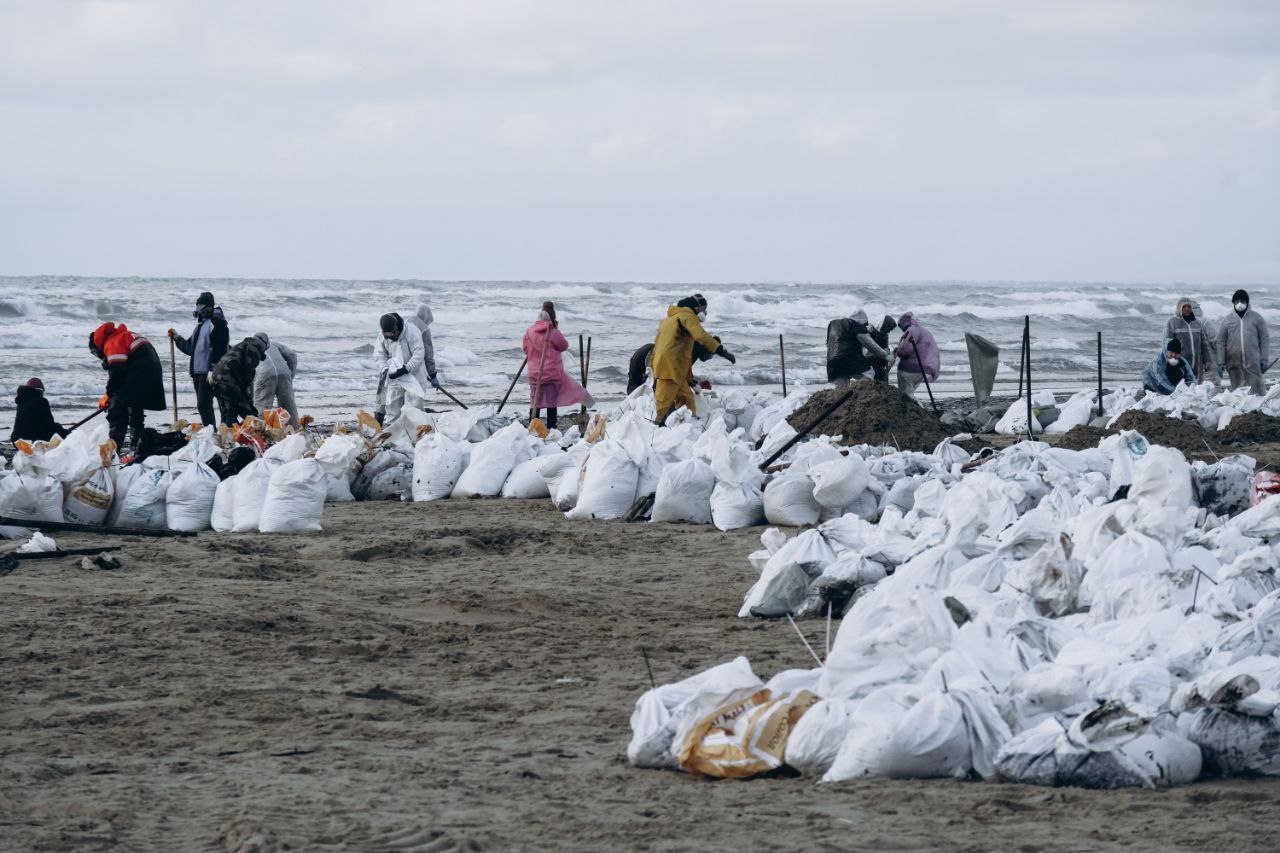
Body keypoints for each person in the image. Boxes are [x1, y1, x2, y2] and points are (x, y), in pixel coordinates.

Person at [651, 293, 735, 424]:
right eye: (703, 309)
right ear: (696, 307)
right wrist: (721, 351)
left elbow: (658, 345)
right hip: (669, 368)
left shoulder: (670, 319)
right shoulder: (687, 316)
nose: (705, 313)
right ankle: (654, 434)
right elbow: (701, 335)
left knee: (687, 399)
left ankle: (690, 428)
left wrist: (690, 381)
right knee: (663, 407)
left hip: (673, 368)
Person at [89, 322, 166, 449]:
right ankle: (136, 445)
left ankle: (114, 449)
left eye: (95, 353)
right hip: (151, 372)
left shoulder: (112, 342)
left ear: (97, 345)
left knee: (117, 410)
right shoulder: (124, 335)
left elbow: (117, 372)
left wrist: (108, 395)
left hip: (140, 372)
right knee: (135, 405)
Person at [522, 301, 592, 430]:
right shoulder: (552, 332)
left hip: (533, 373)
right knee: (551, 402)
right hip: (550, 374)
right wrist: (555, 330)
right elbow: (563, 346)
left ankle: (532, 427)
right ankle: (552, 428)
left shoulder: (529, 331)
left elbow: (525, 350)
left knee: (534, 401)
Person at [169, 291, 229, 428]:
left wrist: (213, 369)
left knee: (205, 405)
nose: (197, 309)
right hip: (197, 372)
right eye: (197, 306)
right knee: (204, 406)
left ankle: (215, 433)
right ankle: (212, 432)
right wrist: (177, 337)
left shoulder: (218, 324)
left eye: (200, 306)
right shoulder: (200, 326)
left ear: (208, 307)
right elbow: (190, 348)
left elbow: (221, 349)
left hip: (209, 373)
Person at [373, 312, 439, 424]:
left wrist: (406, 369)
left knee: (413, 411)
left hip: (415, 377)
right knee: (392, 409)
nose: (391, 338)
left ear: (397, 328)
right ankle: (392, 436)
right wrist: (385, 369)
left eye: (393, 335)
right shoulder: (383, 335)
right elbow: (379, 354)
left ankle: (413, 438)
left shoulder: (412, 332)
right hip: (394, 377)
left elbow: (419, 354)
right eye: (387, 336)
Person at [1218, 289, 1270, 395]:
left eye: (1242, 301)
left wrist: (1264, 358)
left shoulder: (1257, 318)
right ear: (1233, 303)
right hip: (1234, 362)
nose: (1239, 304)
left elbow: (1264, 338)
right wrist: (1221, 361)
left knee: (1257, 392)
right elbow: (1221, 341)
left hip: (1253, 362)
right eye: (1236, 301)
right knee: (1238, 393)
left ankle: (1257, 409)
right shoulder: (1227, 320)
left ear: (1247, 302)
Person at [209, 335, 268, 425]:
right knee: (243, 408)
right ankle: (239, 432)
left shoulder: (243, 345)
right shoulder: (254, 349)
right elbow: (248, 372)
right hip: (228, 380)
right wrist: (248, 395)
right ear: (263, 346)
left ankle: (225, 434)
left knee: (230, 408)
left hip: (216, 377)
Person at [826, 309, 892, 386]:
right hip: (848, 359)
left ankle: (842, 396)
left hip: (832, 361)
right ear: (862, 321)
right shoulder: (856, 326)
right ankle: (862, 393)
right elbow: (870, 345)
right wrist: (885, 355)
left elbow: (829, 343)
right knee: (869, 374)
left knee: (841, 387)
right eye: (865, 324)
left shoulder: (832, 324)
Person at [251, 332, 299, 425]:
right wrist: (290, 375)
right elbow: (292, 356)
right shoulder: (275, 344)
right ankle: (294, 431)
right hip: (284, 373)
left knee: (262, 407)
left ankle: (259, 432)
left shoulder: (249, 348)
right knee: (289, 407)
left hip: (264, 374)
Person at [1164, 297, 1213, 383]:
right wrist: (1168, 363)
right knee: (1182, 390)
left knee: (1197, 391)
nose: (1187, 308)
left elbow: (1204, 345)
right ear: (1179, 308)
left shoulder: (1197, 323)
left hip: (1198, 365)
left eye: (1189, 306)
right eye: (1184, 306)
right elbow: (1167, 345)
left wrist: (1208, 361)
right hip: (1181, 365)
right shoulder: (1172, 322)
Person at [893, 312, 940, 402]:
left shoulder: (911, 331)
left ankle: (922, 411)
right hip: (922, 369)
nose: (902, 329)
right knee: (910, 393)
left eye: (900, 326)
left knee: (907, 395)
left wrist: (897, 351)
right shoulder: (924, 331)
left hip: (908, 370)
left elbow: (905, 350)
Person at [10, 378, 68, 443]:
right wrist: (62, 431)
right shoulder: (42, 402)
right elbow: (49, 425)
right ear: (40, 391)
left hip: (17, 440)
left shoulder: (21, 402)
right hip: (33, 440)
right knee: (59, 433)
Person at [403, 304, 439, 387]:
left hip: (400, 366)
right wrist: (433, 375)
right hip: (415, 367)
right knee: (415, 395)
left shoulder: (405, 323)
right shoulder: (424, 329)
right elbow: (428, 354)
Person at [869, 315, 897, 382]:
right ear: (884, 326)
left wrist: (890, 352)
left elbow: (885, 348)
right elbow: (867, 351)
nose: (889, 332)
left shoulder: (885, 335)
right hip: (873, 364)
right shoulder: (872, 333)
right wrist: (884, 353)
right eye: (888, 329)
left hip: (881, 364)